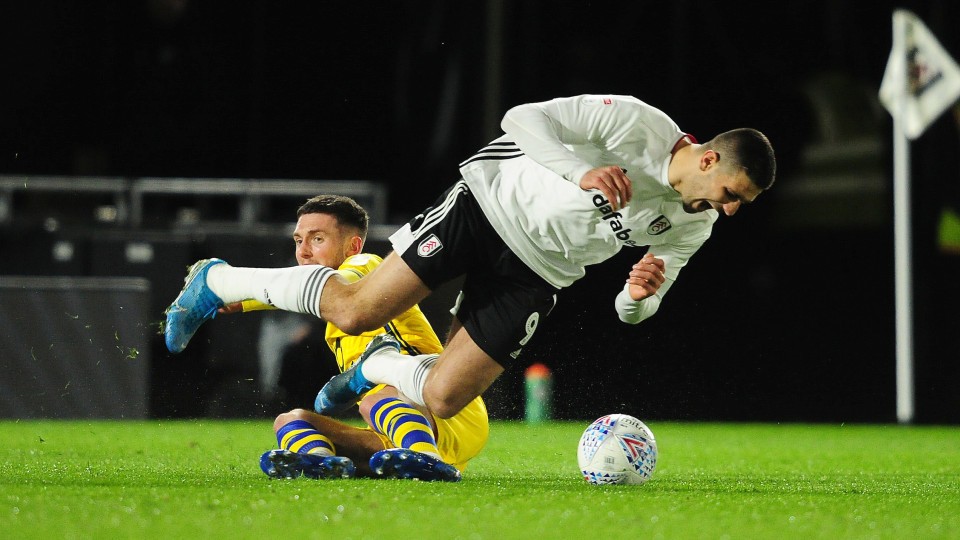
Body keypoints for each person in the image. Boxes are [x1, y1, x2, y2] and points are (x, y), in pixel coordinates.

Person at [165, 94, 776, 426]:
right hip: (486, 207)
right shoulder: (638, 124)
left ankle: (376, 368)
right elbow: (521, 119)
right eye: (732, 194)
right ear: (707, 160)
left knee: (444, 398)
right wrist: (580, 170)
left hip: (540, 272)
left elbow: (636, 310)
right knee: (356, 312)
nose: (729, 211)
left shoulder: (695, 223)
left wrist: (636, 297)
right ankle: (218, 280)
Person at [182, 195, 489, 482]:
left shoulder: (364, 265)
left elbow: (327, 285)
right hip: (402, 427)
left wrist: (240, 289)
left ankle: (427, 458)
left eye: (317, 239)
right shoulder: (334, 307)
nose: (303, 251)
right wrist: (243, 300)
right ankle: (322, 462)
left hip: (444, 405)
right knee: (291, 419)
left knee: (374, 399)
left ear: (353, 246)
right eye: (299, 240)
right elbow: (310, 289)